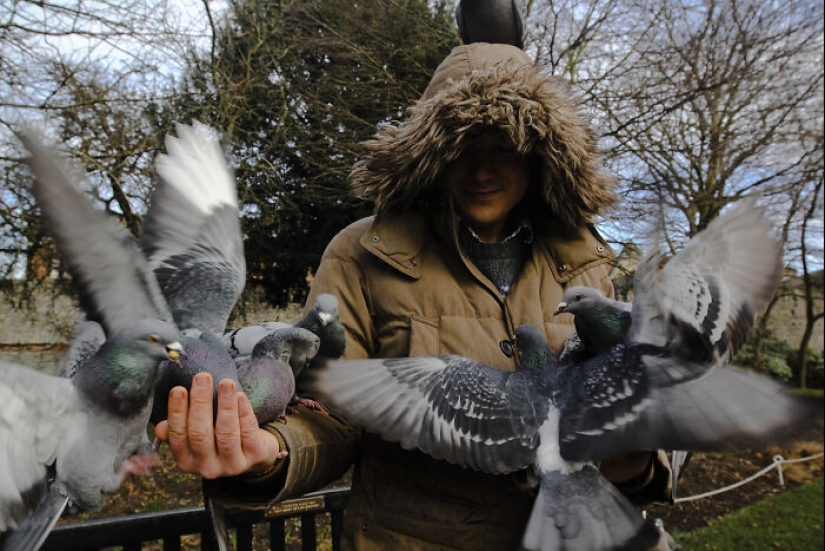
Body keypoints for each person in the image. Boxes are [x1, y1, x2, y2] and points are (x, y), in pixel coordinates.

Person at [155, 43, 672, 549]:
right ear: (432, 153)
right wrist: (271, 450)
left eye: (503, 146)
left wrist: (635, 457)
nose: (482, 170)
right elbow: (331, 408)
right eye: (462, 146)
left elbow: (637, 389)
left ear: (539, 153)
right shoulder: (364, 253)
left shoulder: (582, 263)